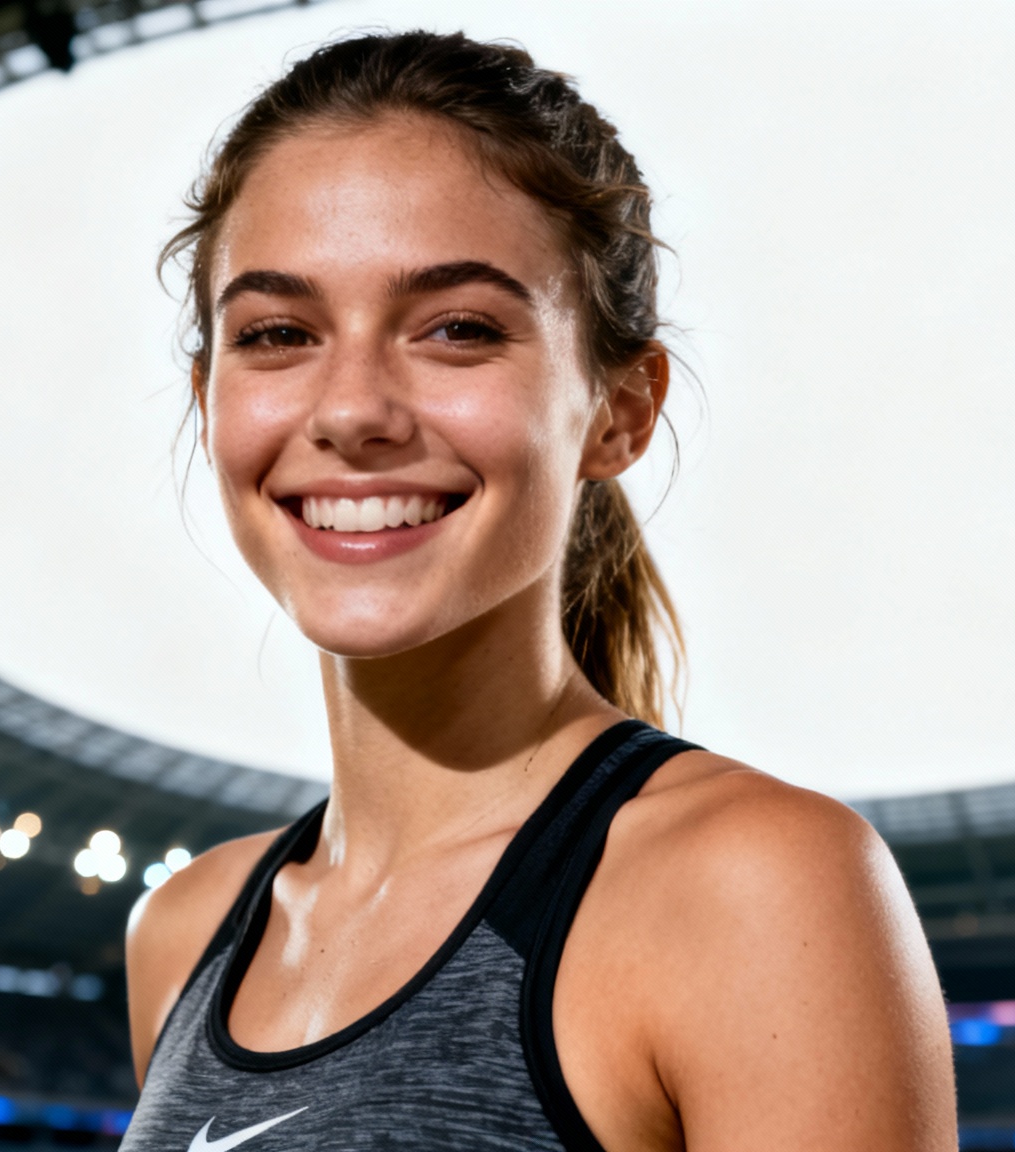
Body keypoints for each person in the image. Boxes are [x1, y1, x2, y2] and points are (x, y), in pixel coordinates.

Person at [121, 31, 954, 1152]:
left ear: (619, 407)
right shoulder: (184, 933)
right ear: (207, 393)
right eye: (276, 334)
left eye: (456, 328)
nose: (352, 408)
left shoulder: (755, 889)